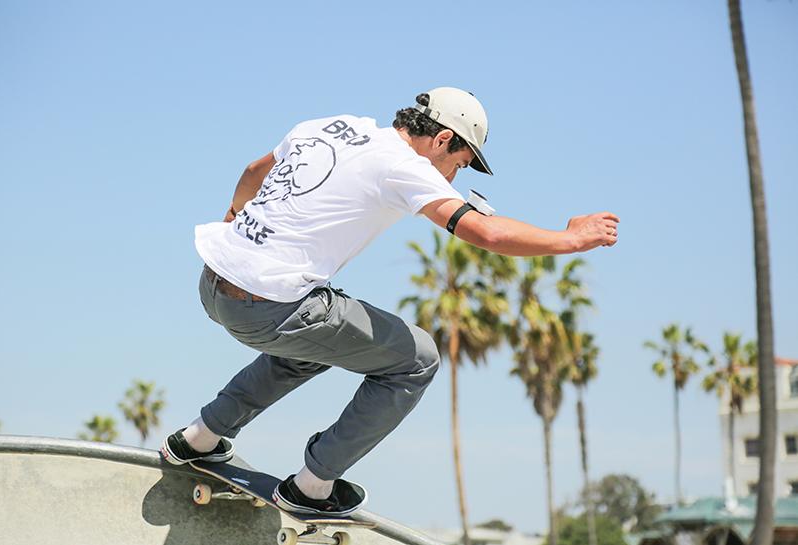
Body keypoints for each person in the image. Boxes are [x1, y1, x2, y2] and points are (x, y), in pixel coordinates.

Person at [161, 87, 619, 516]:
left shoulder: (332, 124)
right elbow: (487, 233)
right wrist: (571, 239)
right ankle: (312, 486)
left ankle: (200, 437)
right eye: (458, 165)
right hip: (269, 308)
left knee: (311, 345)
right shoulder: (406, 166)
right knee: (417, 359)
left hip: (213, 283)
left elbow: (251, 173)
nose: (451, 178)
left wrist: (235, 218)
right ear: (442, 140)